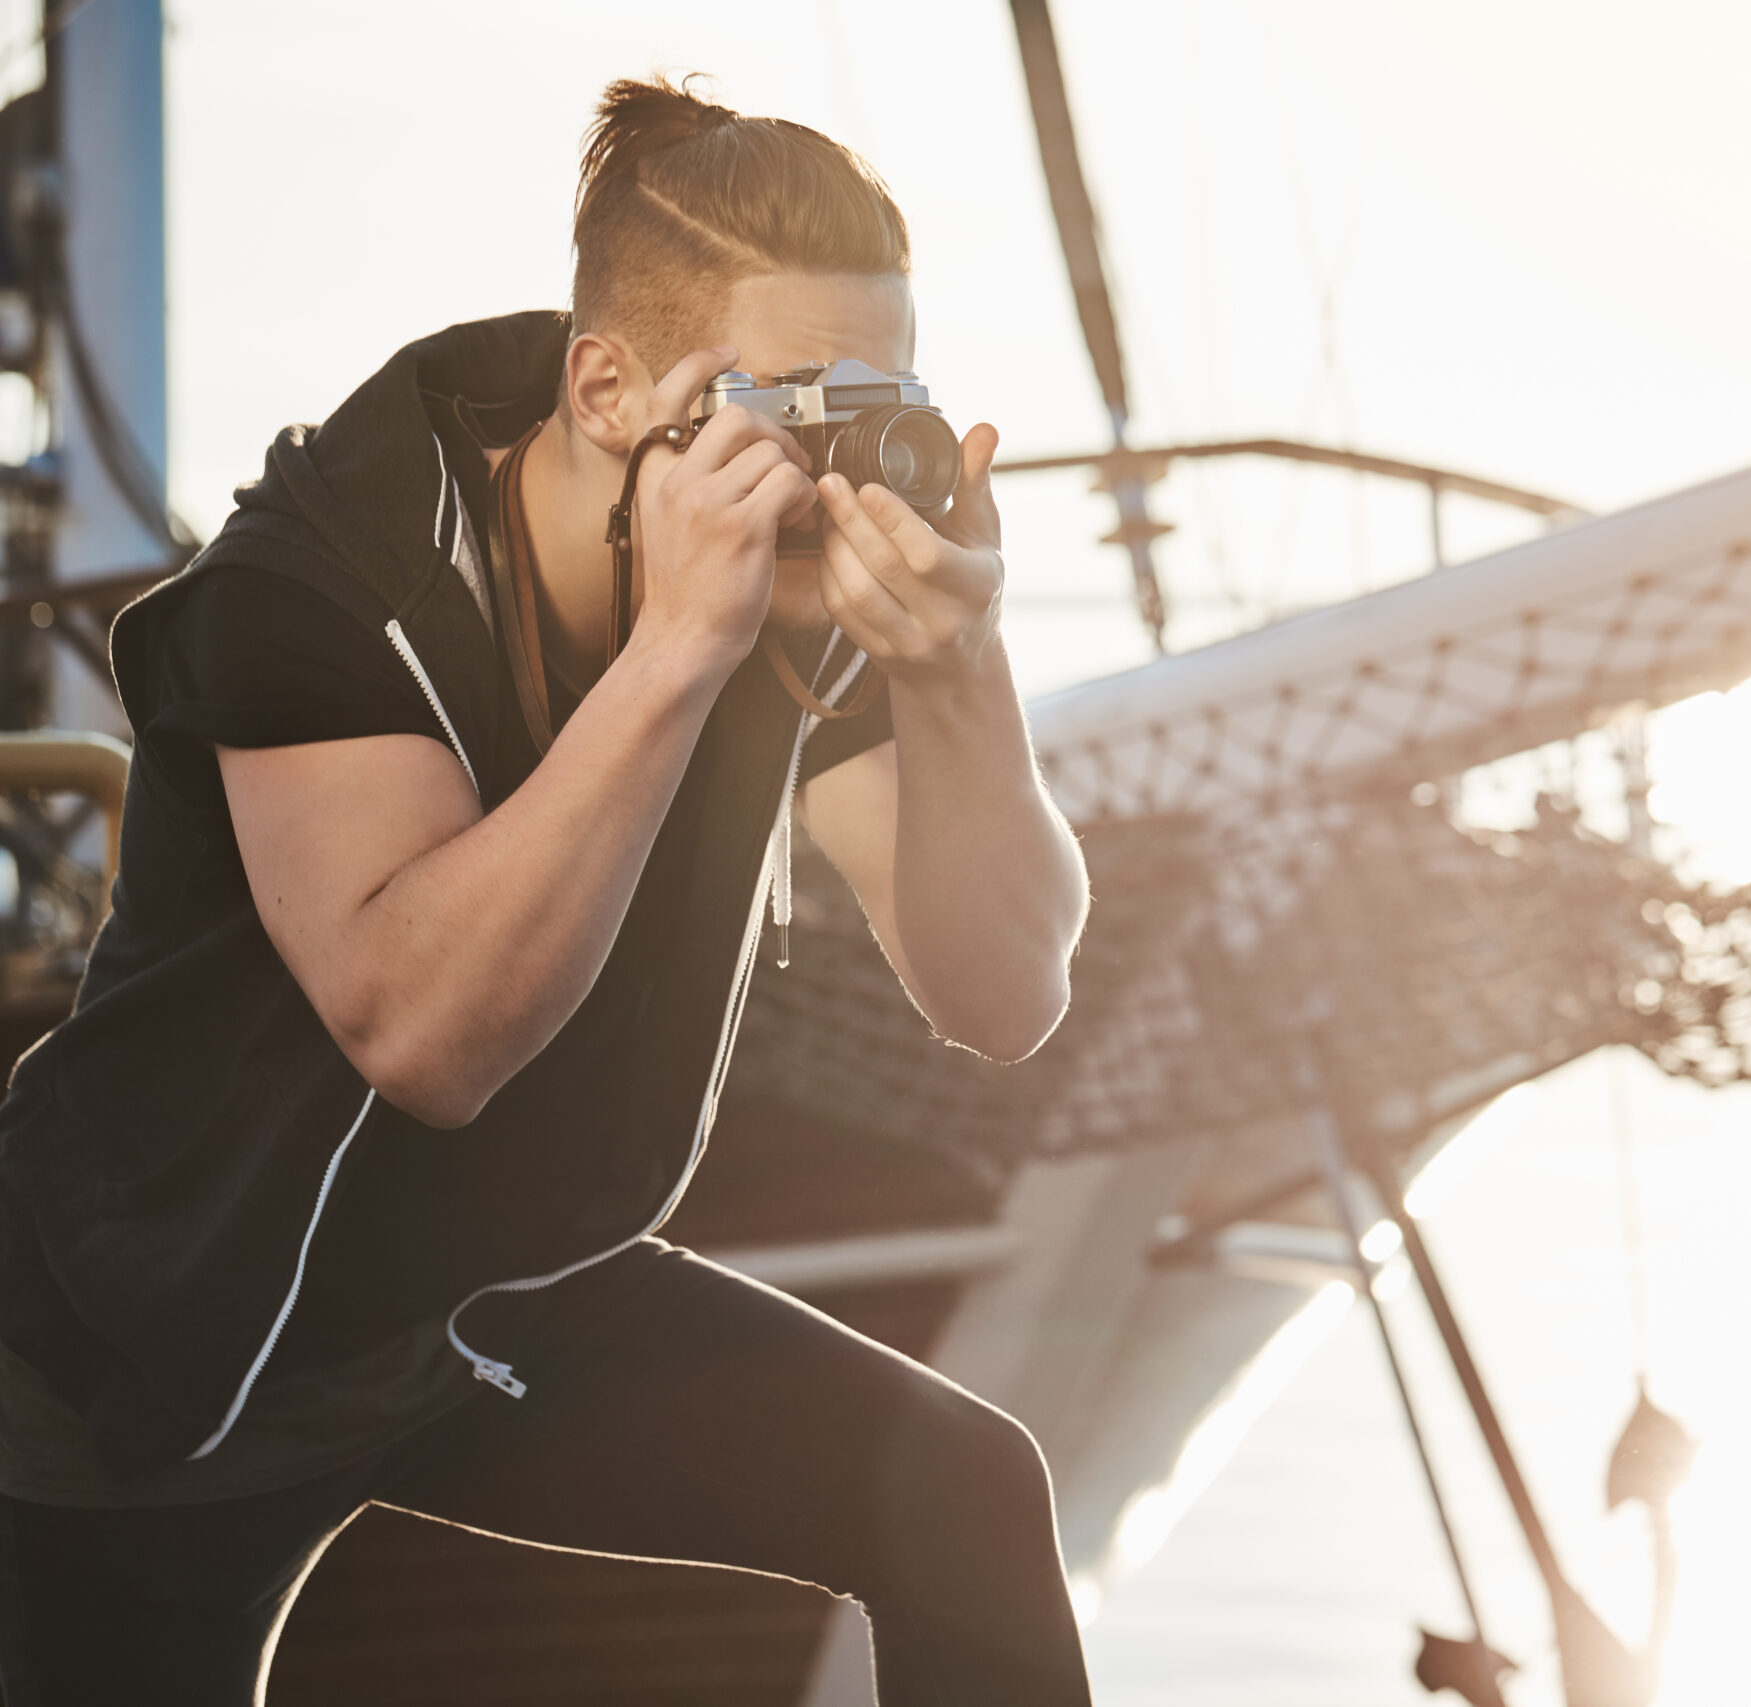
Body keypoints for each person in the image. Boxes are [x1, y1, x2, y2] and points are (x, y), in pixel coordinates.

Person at [0, 76, 1093, 1705]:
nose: (827, 467)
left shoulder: (783, 581)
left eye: (875, 403)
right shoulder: (315, 585)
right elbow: (426, 1036)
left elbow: (1001, 993)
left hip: (472, 1300)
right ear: (604, 387)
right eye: (790, 404)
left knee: (964, 1501)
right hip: (146, 1363)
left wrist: (960, 665)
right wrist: (676, 657)